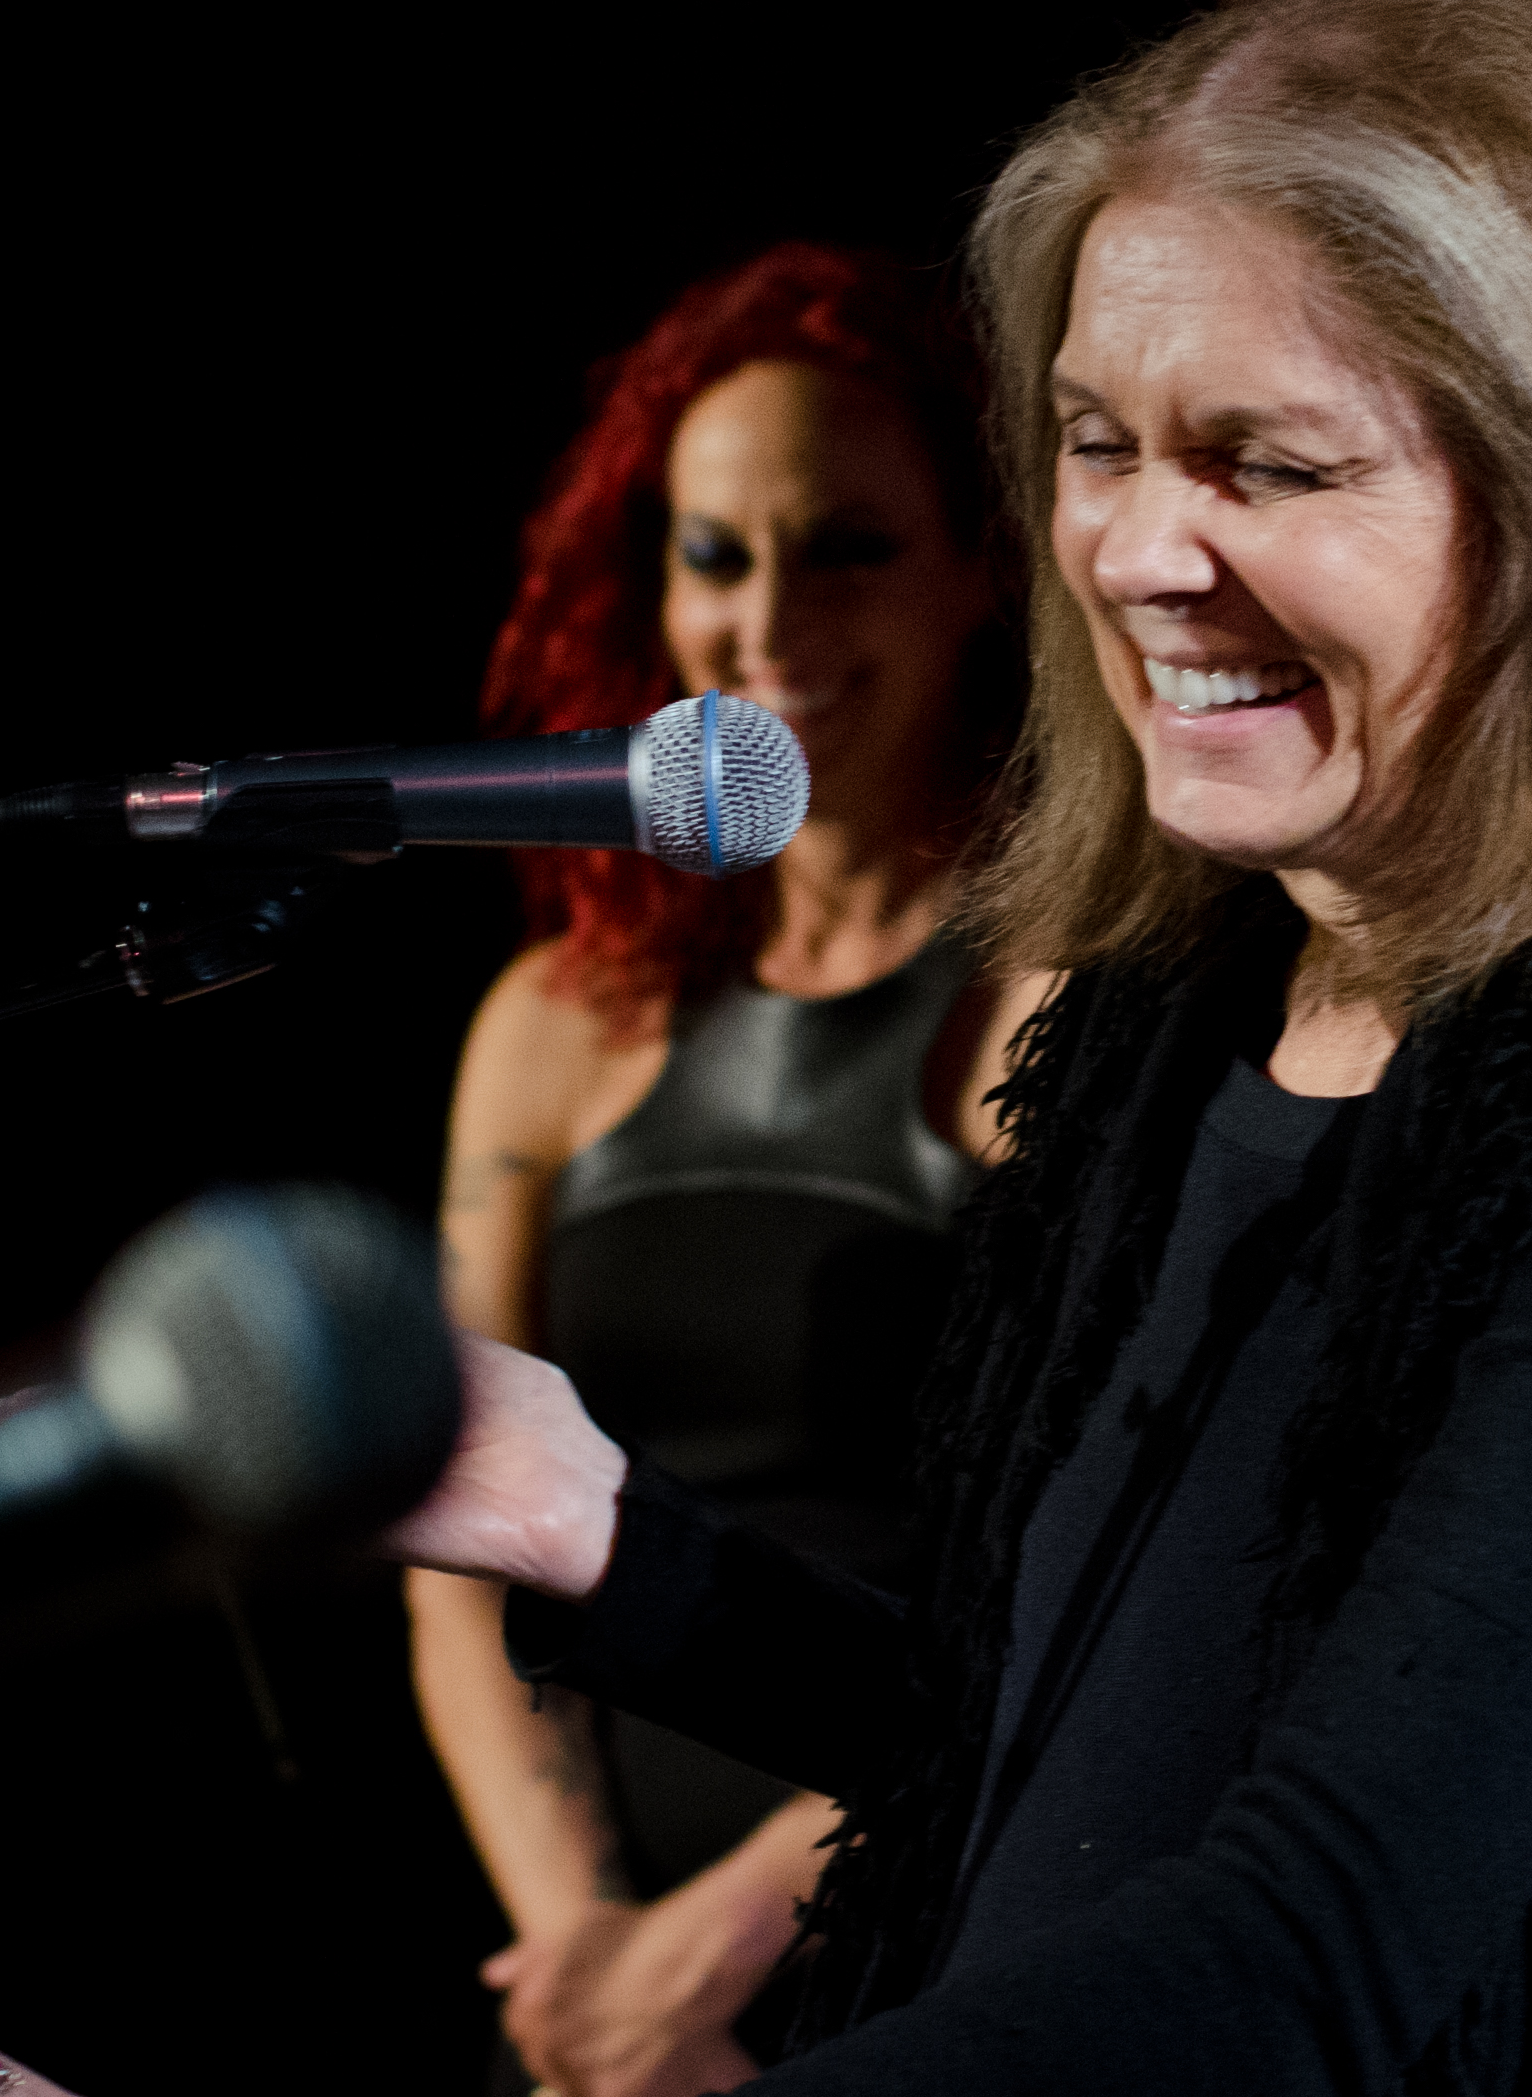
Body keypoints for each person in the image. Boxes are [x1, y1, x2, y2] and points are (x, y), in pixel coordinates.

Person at [390, 0, 1532, 2093]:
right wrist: (601, 1526)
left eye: (1269, 462)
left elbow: (1311, 1934)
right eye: (1098, 441)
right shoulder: (1185, 996)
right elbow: (1033, 1758)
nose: (1138, 550)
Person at [409, 244, 1028, 2097]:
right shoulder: (557, 1015)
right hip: (602, 2000)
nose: (764, 624)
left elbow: (1046, 1591)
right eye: (713, 554)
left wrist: (712, 1959)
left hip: (928, 1941)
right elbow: (451, 1548)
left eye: (844, 545)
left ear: (980, 571)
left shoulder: (1057, 994)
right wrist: (589, 1959)